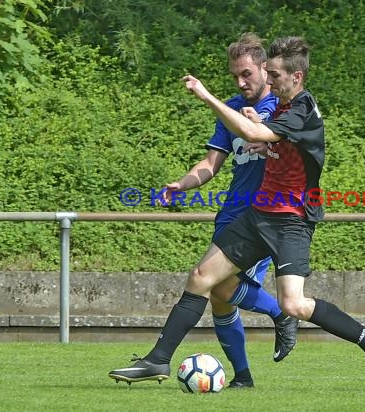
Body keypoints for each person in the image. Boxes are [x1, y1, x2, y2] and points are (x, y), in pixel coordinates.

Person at [108, 36, 365, 388]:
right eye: (267, 75)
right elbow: (268, 139)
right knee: (201, 277)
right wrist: (263, 144)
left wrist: (207, 96)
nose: (269, 82)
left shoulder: (303, 109)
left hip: (292, 220)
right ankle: (158, 361)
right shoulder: (284, 107)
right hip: (258, 215)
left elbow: (254, 131)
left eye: (273, 75)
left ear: (296, 78)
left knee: (294, 305)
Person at [109, 33, 298, 389]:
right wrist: (182, 184)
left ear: (264, 68)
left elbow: (267, 139)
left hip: (262, 216)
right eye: (234, 76)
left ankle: (279, 314)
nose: (241, 82)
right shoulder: (231, 107)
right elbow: (212, 163)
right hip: (231, 212)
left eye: (247, 74)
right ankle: (243, 377)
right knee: (220, 299)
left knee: (209, 281)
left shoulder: (283, 106)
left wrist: (212, 99)